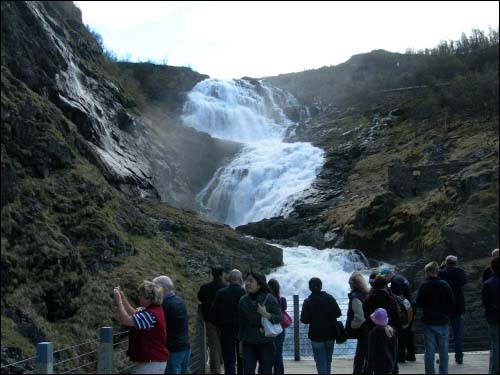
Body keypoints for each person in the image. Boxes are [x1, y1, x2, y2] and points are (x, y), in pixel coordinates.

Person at [113, 282, 168, 374]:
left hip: (151, 363)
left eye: (141, 295)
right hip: (154, 361)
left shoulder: (150, 314)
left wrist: (119, 301)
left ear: (149, 298)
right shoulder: (155, 310)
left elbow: (126, 320)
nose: (139, 297)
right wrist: (122, 297)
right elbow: (134, 314)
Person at [238, 271, 282, 374]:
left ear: (259, 285)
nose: (247, 283)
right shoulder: (243, 301)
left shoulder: (269, 298)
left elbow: (279, 318)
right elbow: (241, 323)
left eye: (251, 281)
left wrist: (265, 314)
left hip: (266, 341)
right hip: (248, 341)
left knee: (265, 371)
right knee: (248, 371)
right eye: (247, 281)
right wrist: (240, 342)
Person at [416, 261, 455, 374]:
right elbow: (452, 302)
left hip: (429, 321)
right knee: (443, 350)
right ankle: (443, 372)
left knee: (429, 350)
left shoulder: (424, 285)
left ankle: (430, 372)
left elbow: (419, 302)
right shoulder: (445, 284)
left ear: (428, 272)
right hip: (443, 320)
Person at [300, 277, 342, 375]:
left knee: (320, 361)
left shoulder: (308, 301)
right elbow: (338, 313)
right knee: (328, 360)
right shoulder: (330, 298)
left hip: (316, 336)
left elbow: (304, 320)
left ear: (310, 288)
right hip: (330, 334)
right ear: (321, 286)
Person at [210, 269, 246, 375]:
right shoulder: (244, 293)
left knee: (229, 360)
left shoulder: (221, 293)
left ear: (229, 279)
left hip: (226, 331)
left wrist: (218, 326)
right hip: (242, 332)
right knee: (242, 360)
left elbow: (213, 314)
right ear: (240, 279)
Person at [153, 276, 190, 374]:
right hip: (184, 347)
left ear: (162, 289)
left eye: (155, 288)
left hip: (173, 350)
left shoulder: (164, 305)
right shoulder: (180, 301)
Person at [380, 267, 416, 362]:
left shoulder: (395, 282)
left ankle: (401, 356)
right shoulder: (401, 278)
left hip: (404, 310)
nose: (385, 280)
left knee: (401, 332)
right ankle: (411, 355)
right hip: (410, 306)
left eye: (385, 277)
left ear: (388, 274)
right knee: (409, 331)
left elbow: (399, 298)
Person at [198, 266, 228, 374]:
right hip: (225, 322)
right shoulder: (226, 286)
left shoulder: (205, 287)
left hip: (210, 322)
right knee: (226, 346)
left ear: (212, 274)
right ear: (222, 274)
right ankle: (228, 368)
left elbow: (200, 298)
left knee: (214, 348)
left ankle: (215, 371)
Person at [438, 255, 467, 364]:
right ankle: (459, 356)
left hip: (444, 306)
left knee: (443, 333)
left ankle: (443, 357)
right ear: (456, 263)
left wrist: (441, 267)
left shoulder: (442, 273)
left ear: (446, 262)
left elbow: (436, 276)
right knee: (458, 332)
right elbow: (464, 281)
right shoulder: (460, 272)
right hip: (458, 305)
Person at [346, 271, 370, 374]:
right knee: (367, 354)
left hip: (363, 330)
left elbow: (359, 317)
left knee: (360, 355)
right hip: (370, 328)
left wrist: (352, 326)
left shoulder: (356, 297)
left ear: (353, 284)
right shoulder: (367, 293)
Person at [366, 308, 398, 375]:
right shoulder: (392, 332)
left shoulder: (373, 333)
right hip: (390, 365)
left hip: (378, 366)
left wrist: (369, 369)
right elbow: (394, 351)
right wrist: (395, 368)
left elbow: (371, 353)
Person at [482, 257, 499, 374]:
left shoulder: (488, 284)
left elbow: (485, 302)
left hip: (494, 317)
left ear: (491, 268)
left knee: (495, 346)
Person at [268, 278, 287, 375]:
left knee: (268, 353)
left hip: (269, 329)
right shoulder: (282, 300)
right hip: (280, 329)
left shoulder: (267, 299)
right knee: (278, 353)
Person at [392, 288, 414, 366]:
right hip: (406, 323)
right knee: (403, 342)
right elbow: (410, 311)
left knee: (399, 342)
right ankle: (404, 356)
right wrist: (409, 323)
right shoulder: (405, 300)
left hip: (399, 324)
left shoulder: (395, 300)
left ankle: (399, 357)